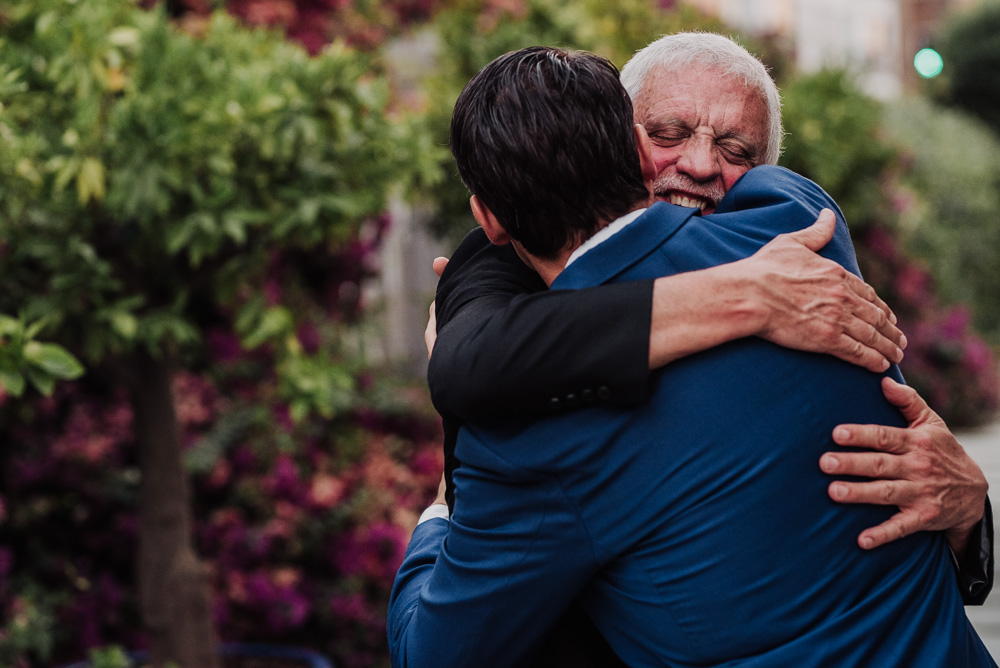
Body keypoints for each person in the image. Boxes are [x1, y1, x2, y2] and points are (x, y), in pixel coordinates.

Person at [388, 46, 995, 667]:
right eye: (671, 134)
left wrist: (439, 513)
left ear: (488, 217)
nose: (701, 165)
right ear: (633, 144)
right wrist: (746, 296)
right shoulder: (798, 226)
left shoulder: (526, 433)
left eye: (736, 151)